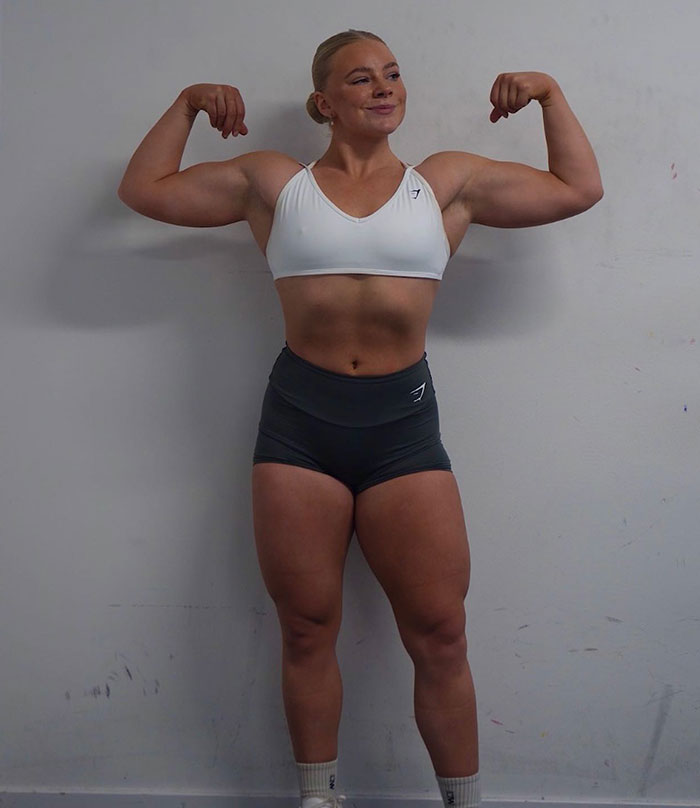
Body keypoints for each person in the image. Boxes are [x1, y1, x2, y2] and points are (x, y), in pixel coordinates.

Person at [117, 28, 603, 808]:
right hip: (299, 427)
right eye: (359, 79)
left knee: (440, 633)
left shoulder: (445, 183)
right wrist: (184, 106)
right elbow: (143, 191)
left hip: (401, 429)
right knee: (307, 628)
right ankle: (319, 799)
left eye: (393, 75)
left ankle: (463, 802)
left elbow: (578, 189)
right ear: (323, 103)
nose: (383, 88)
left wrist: (549, 92)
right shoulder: (274, 182)